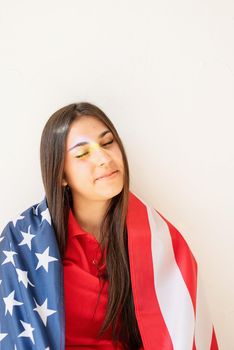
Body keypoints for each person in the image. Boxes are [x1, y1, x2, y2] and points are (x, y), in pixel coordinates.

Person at [0, 102, 219, 350]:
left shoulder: (160, 242)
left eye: (107, 143)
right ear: (61, 175)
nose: (104, 158)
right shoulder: (21, 243)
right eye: (82, 154)